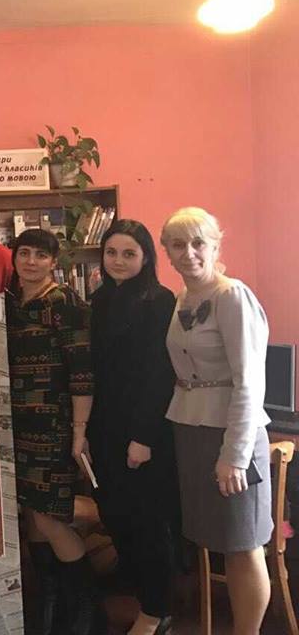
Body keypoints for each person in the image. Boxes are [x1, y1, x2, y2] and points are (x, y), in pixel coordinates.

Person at [161, 207, 272, 635]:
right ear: (167, 252)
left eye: (198, 243)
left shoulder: (232, 295)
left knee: (243, 544)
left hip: (231, 435)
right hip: (191, 429)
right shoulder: (182, 300)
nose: (188, 253)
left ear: (215, 245)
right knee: (215, 540)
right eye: (178, 244)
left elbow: (250, 381)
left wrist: (235, 455)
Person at [5, 229, 100, 635]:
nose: (31, 261)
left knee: (50, 517)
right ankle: (51, 607)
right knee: (32, 516)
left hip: (55, 425)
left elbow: (82, 374)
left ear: (53, 262)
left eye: (40, 255)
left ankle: (87, 610)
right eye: (24, 253)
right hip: (17, 427)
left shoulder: (65, 304)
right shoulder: (10, 304)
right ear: (14, 259)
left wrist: (79, 433)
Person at [87, 220, 178, 635]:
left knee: (147, 523)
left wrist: (143, 437)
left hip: (144, 431)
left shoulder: (160, 301)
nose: (118, 261)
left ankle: (157, 611)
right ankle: (142, 593)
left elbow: (160, 375)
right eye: (111, 252)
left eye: (129, 253)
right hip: (104, 428)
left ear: (146, 257)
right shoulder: (99, 299)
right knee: (115, 515)